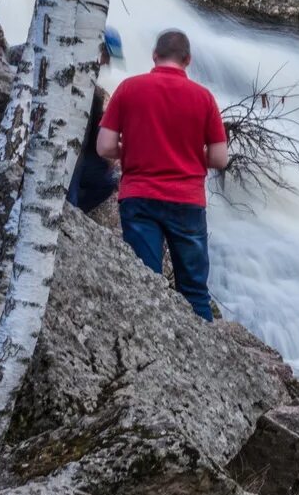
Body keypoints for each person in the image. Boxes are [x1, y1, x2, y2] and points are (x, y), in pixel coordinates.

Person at [97, 29, 228, 321]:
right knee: (194, 291)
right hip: (188, 202)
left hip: (139, 198)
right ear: (188, 60)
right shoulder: (204, 98)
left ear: (154, 56)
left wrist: (134, 150)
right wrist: (191, 155)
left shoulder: (129, 89)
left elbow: (105, 146)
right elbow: (220, 158)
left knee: (145, 283)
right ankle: (204, 360)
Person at [67, 30, 122, 213]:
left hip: (82, 154)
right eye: (106, 57)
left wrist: (108, 156)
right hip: (64, 152)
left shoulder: (95, 95)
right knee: (71, 190)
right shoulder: (65, 77)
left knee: (109, 179)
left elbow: (92, 135)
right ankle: (70, 212)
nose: (106, 64)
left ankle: (76, 215)